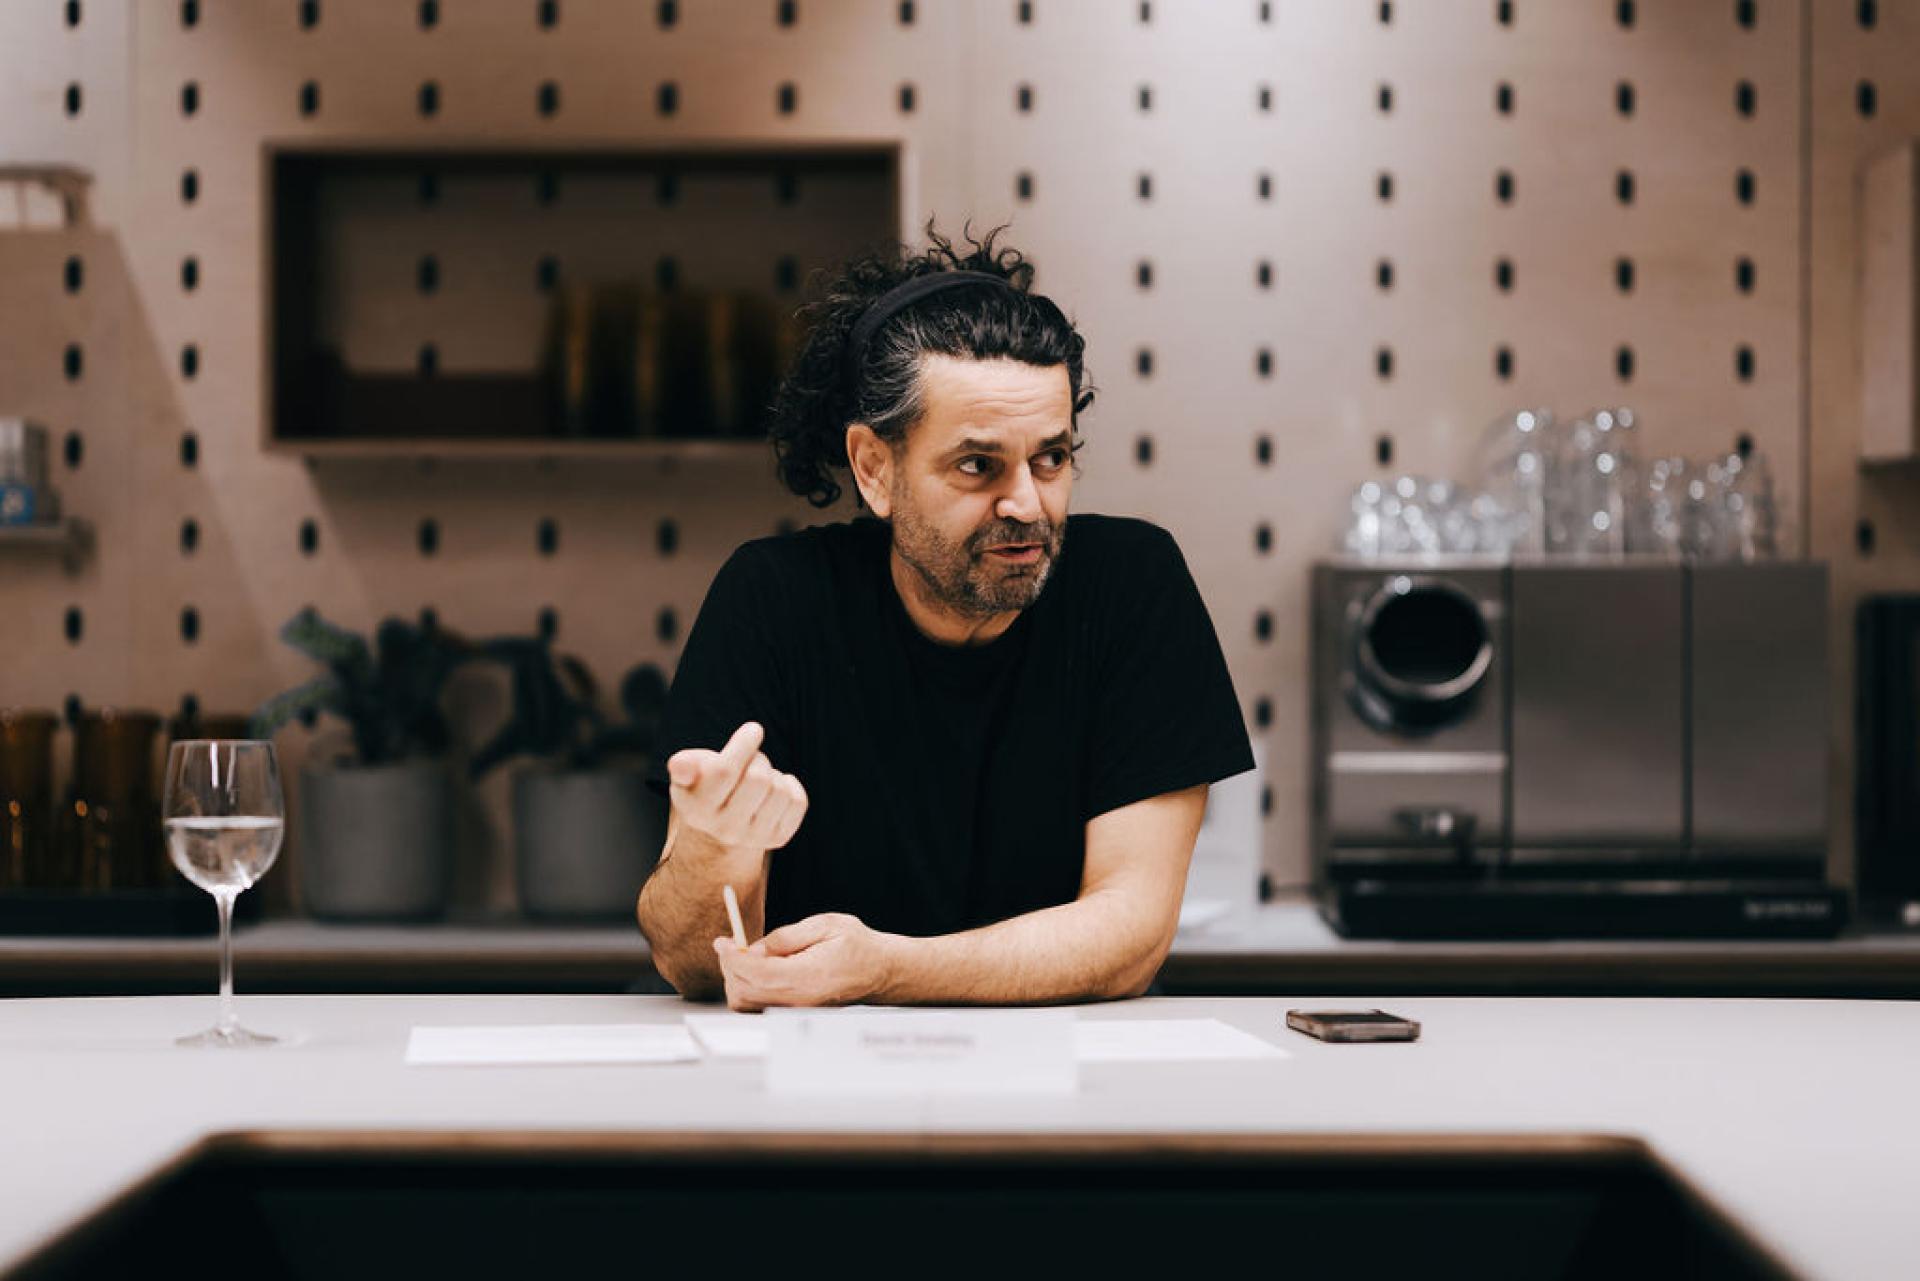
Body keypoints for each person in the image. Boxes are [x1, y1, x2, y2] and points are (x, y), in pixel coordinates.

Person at [637, 224, 1253, 1010]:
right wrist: (715, 846)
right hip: (807, 1082)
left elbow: (1129, 933)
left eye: (1051, 458)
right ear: (875, 469)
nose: (1026, 504)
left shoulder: (1131, 586)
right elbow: (688, 961)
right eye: (977, 465)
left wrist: (884, 968)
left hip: (1064, 1078)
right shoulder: (775, 598)